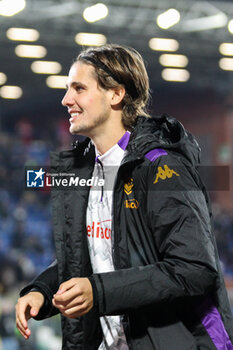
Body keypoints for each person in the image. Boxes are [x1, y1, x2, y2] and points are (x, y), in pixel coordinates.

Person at [15, 44, 233, 350]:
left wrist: (99, 291)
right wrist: (42, 290)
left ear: (116, 94)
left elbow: (194, 269)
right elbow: (94, 255)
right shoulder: (85, 171)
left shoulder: (162, 167)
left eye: (78, 88)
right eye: (67, 89)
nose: (66, 100)